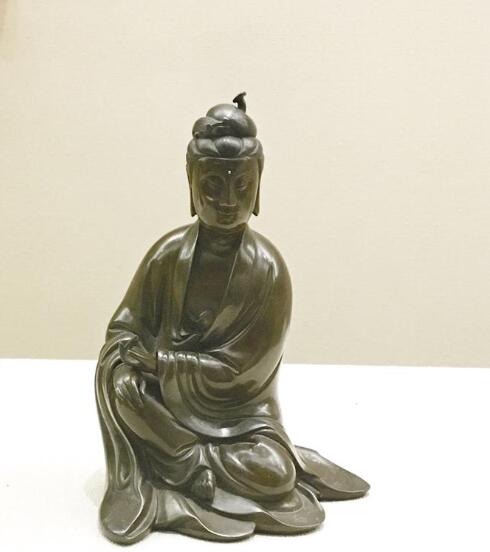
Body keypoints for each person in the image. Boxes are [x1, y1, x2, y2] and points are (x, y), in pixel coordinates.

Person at [95, 93, 369, 543]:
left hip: (241, 418)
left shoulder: (269, 271)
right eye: (212, 186)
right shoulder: (167, 256)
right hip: (165, 404)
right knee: (119, 382)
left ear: (259, 186)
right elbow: (124, 326)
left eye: (242, 186)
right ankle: (188, 464)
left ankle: (185, 466)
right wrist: (130, 355)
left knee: (275, 473)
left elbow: (245, 372)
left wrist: (162, 362)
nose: (227, 201)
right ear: (190, 184)